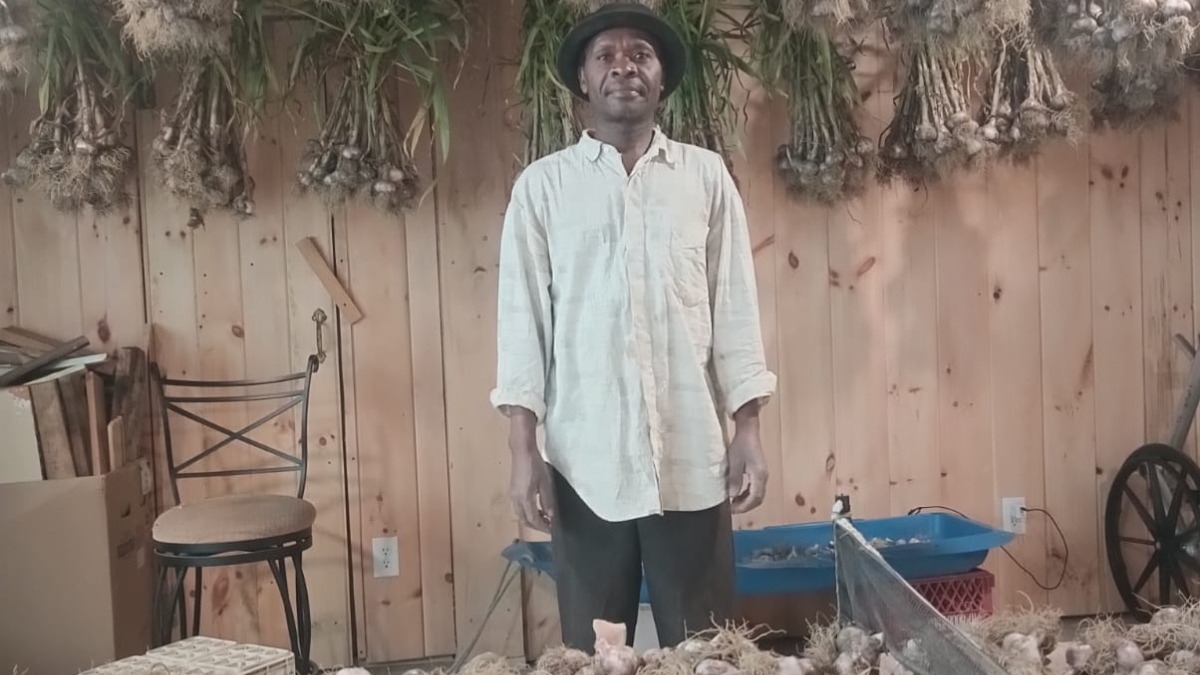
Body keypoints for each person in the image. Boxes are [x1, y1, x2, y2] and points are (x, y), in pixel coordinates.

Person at [490, 1, 777, 653]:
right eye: (607, 56)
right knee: (597, 652)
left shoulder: (705, 179)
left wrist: (748, 429)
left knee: (708, 650)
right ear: (584, 82)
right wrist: (522, 451)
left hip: (692, 458)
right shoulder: (543, 190)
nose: (625, 66)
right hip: (585, 461)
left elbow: (734, 308)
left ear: (661, 80)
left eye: (641, 55)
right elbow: (521, 325)